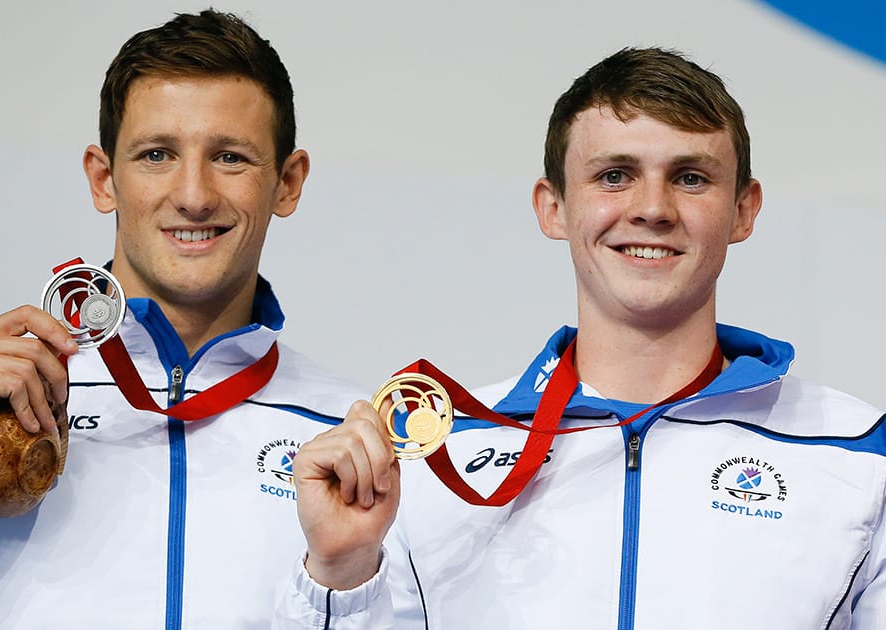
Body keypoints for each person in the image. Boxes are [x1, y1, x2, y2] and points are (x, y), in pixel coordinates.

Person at [275, 47, 886, 628]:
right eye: (615, 175)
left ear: (744, 210)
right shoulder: (438, 459)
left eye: (691, 177)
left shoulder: (859, 457)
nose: (653, 208)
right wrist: (339, 573)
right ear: (553, 208)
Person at [0, 9, 365, 629]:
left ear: (288, 183)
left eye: (230, 157)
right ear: (104, 178)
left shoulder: (352, 434)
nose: (193, 194)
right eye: (157, 154)